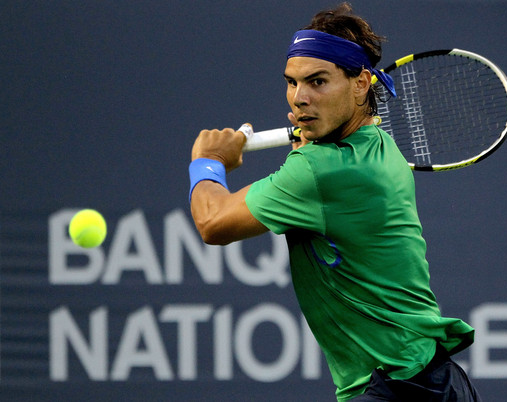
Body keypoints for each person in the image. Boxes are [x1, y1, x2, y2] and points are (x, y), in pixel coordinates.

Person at [189, 3, 482, 401]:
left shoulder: (320, 170)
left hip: (397, 388)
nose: (299, 98)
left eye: (318, 82)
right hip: (433, 379)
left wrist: (207, 162)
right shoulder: (377, 142)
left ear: (361, 83)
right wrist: (309, 143)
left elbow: (213, 222)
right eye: (292, 83)